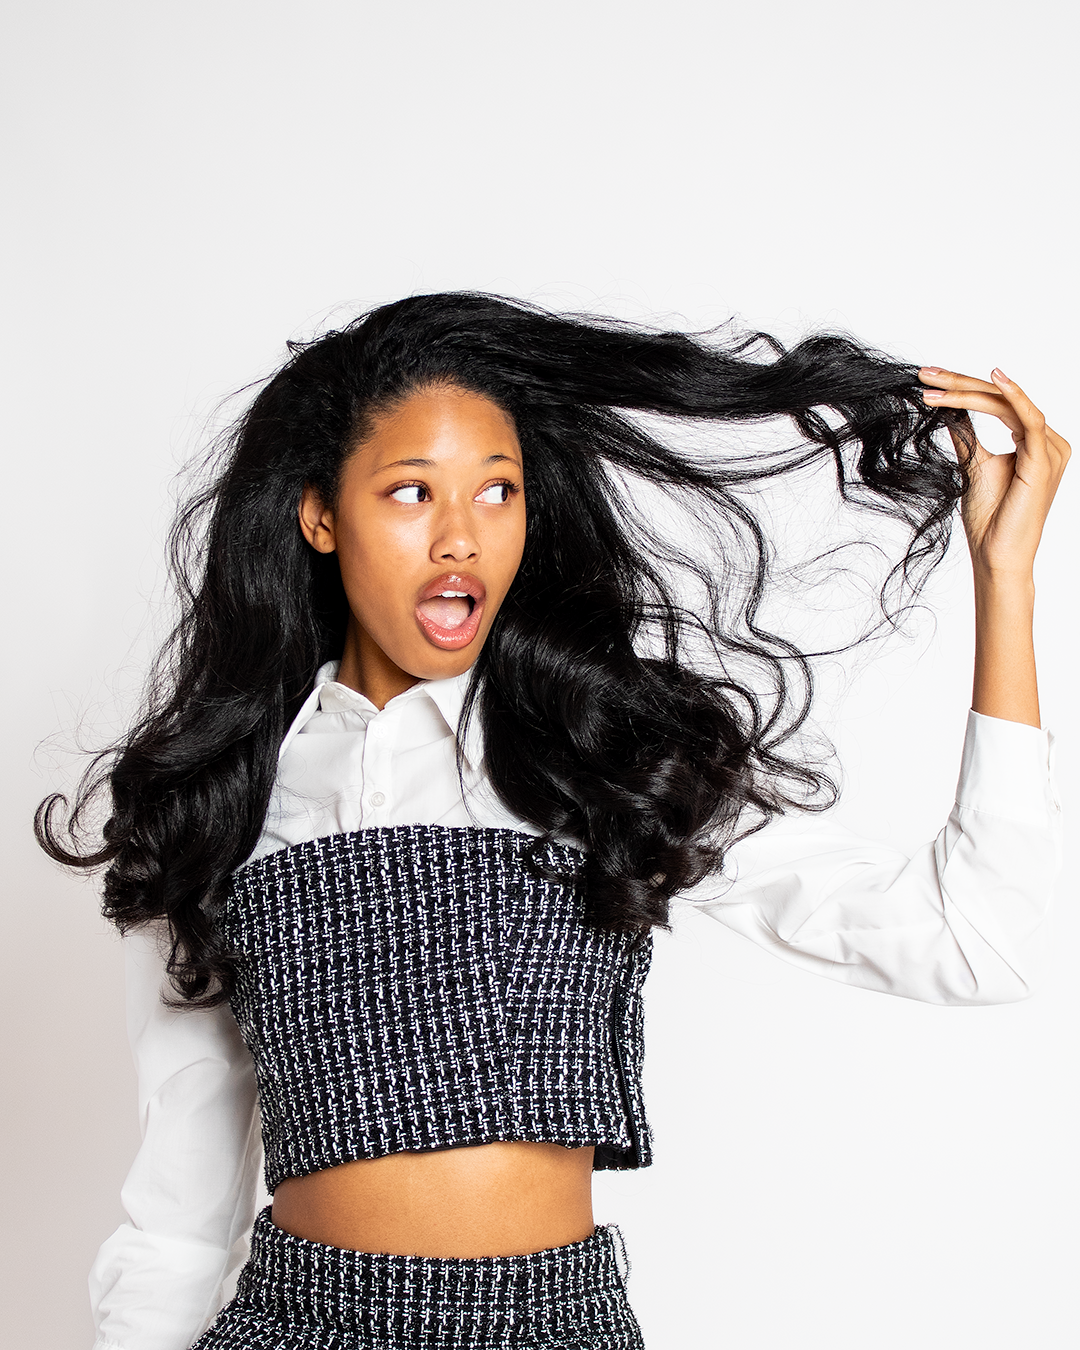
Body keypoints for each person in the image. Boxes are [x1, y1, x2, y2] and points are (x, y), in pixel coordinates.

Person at [38, 292, 1067, 1350]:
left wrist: (1006, 580)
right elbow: (178, 1214)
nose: (459, 538)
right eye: (409, 492)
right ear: (320, 514)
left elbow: (973, 941)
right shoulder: (222, 798)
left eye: (497, 492)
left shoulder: (600, 756)